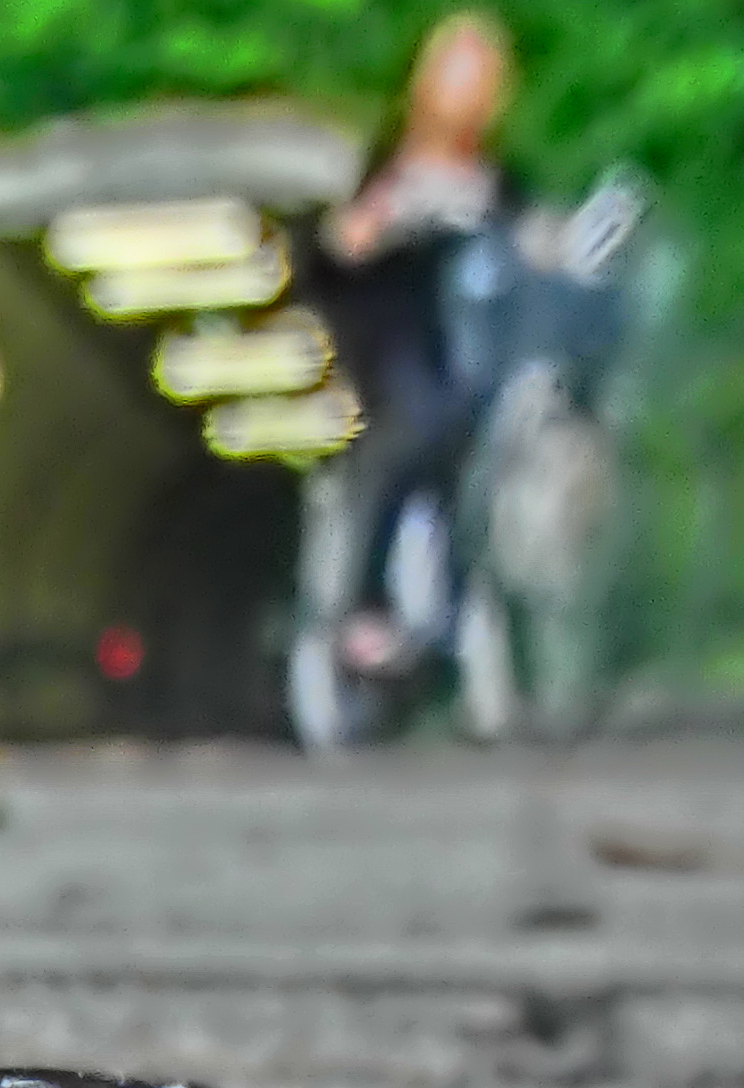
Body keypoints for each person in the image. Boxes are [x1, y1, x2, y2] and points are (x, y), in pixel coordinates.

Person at [310, 13, 522, 678]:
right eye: (458, 76)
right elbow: (336, 249)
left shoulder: (498, 177)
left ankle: (477, 614)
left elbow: (533, 233)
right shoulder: (389, 164)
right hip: (395, 341)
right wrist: (371, 230)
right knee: (415, 425)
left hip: (480, 350)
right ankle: (365, 602)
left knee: (489, 432)